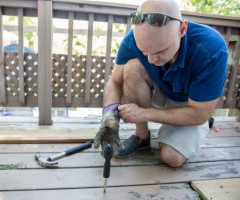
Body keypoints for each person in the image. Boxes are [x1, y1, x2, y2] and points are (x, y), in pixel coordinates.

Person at [94, 0, 228, 168]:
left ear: (182, 29)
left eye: (159, 51)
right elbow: (115, 81)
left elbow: (199, 113)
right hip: (159, 89)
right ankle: (142, 136)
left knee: (172, 158)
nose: (151, 59)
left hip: (190, 105)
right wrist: (109, 113)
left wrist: (144, 113)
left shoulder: (211, 48)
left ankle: (198, 128)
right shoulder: (133, 39)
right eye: (144, 51)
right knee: (132, 67)